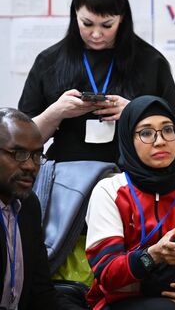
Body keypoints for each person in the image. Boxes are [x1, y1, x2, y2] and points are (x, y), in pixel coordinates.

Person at [84, 96, 175, 310]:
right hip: (121, 303)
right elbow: (106, 272)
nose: (160, 140)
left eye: (168, 130)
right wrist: (152, 256)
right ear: (128, 139)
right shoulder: (109, 191)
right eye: (146, 133)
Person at [18, 0, 175, 164]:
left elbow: (174, 129)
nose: (96, 34)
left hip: (131, 177)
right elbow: (23, 139)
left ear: (121, 18)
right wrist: (56, 112)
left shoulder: (150, 62)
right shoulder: (49, 62)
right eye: (87, 24)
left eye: (107, 25)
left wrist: (136, 112)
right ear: (75, 15)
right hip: (67, 176)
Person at [0, 108, 77, 309]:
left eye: (36, 155)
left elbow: (41, 291)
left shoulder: (28, 205)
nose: (30, 166)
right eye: (18, 154)